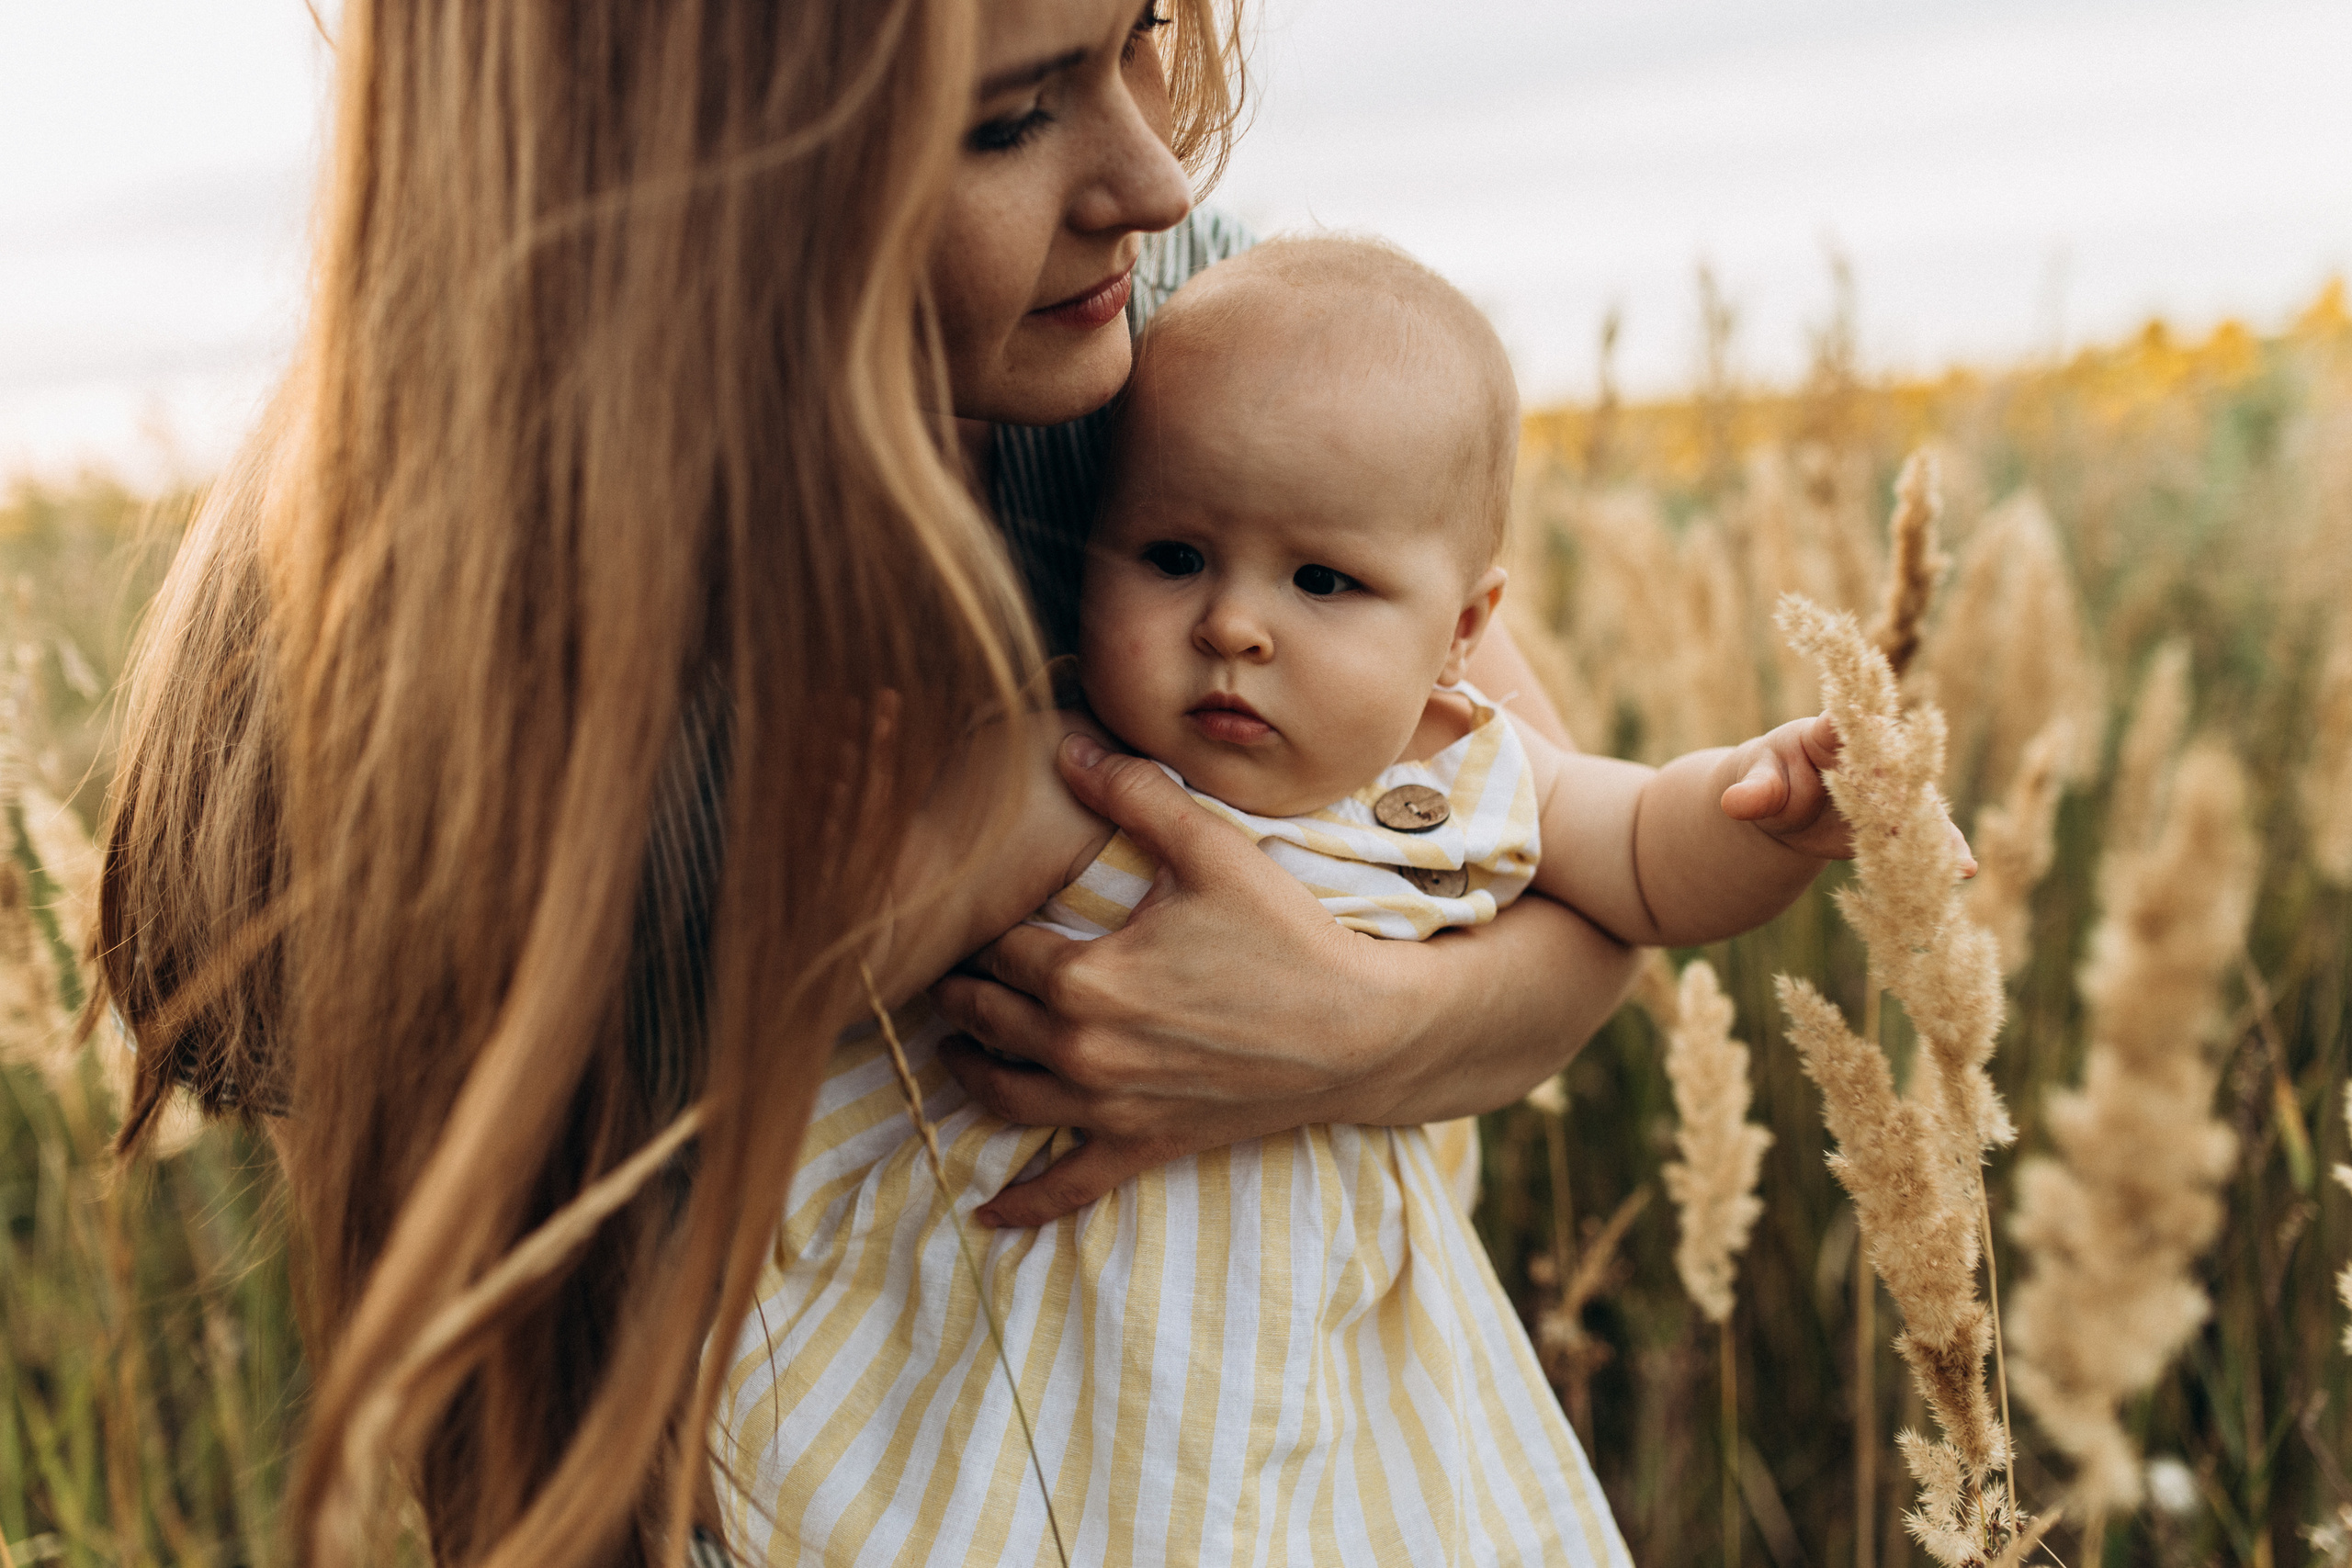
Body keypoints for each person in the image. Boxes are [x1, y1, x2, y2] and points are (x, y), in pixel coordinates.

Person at [94, 3, 1645, 1564]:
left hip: (1286, 1474)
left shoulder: (1184, 332)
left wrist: (1338, 1034)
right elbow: (490, 1378)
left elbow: (1583, 899)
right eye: (1009, 118)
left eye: (1146, 32)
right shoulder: (361, 675)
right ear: (683, 178)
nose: (1157, 176)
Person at [712, 235, 1863, 1564]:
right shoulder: (1056, 776)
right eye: (1174, 555)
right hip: (1022, 1348)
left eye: (1322, 582)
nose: (1235, 626)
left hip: (1326, 1382)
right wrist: (851, 843)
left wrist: (1766, 806)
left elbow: (1656, 861)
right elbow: (810, 991)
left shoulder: (1465, 768)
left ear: (1460, 629)